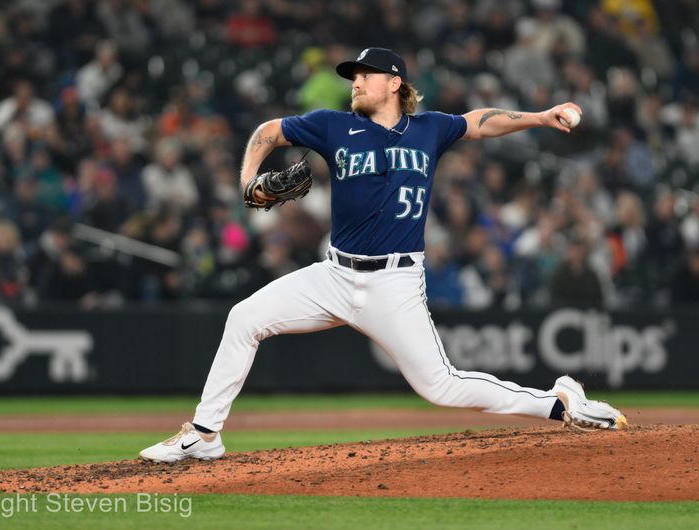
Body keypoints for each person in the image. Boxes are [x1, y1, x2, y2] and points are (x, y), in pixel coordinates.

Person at [140, 47, 628, 463]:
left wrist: (541, 116)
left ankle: (559, 403)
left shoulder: (429, 129)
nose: (355, 82)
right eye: (353, 76)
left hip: (394, 285)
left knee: (440, 386)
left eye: (363, 75)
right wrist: (249, 182)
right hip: (333, 275)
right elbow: (269, 132)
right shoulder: (332, 127)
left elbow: (478, 121)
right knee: (245, 317)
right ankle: (205, 435)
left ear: (394, 82)